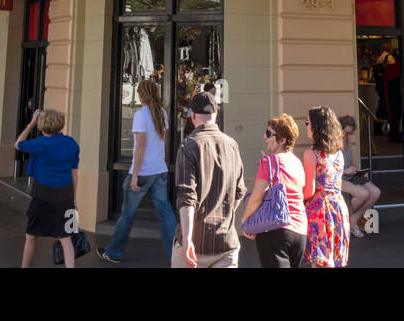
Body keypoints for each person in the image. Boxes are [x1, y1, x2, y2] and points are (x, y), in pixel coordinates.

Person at [100, 79, 176, 263]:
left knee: (127, 215)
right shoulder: (162, 114)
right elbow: (161, 143)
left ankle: (113, 253)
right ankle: (177, 255)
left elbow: (140, 148)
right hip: (159, 170)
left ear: (141, 96)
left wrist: (134, 176)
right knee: (166, 214)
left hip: (142, 172)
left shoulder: (141, 115)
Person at [172, 92, 246, 268]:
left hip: (196, 244)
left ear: (193, 116)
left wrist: (188, 238)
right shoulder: (232, 145)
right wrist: (225, 216)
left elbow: (187, 197)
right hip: (226, 243)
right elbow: (240, 192)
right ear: (216, 115)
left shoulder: (188, 146)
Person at [15, 108, 80, 268]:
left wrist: (31, 123)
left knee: (31, 236)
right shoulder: (71, 143)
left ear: (42, 125)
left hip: (42, 194)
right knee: (66, 238)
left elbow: (18, 144)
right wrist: (73, 198)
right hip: (65, 194)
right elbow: (74, 175)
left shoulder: (40, 143)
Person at [240, 113, 307, 268]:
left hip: (275, 229)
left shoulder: (269, 161)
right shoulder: (298, 163)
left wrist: (246, 220)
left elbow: (257, 197)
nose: (265, 136)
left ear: (282, 140)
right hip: (300, 232)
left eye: (269, 134)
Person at [302, 106, 350, 268]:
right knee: (335, 259)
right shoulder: (339, 154)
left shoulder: (311, 154)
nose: (306, 126)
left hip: (320, 211)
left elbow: (309, 191)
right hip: (338, 208)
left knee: (320, 262)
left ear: (317, 126)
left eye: (308, 122)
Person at [339, 114, 379, 237]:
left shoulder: (347, 143)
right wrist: (347, 171)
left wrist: (358, 171)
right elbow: (329, 169)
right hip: (339, 177)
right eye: (346, 133)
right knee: (364, 194)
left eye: (350, 134)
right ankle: (346, 221)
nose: (347, 136)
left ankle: (353, 219)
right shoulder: (333, 144)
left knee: (375, 192)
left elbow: (350, 164)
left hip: (350, 175)